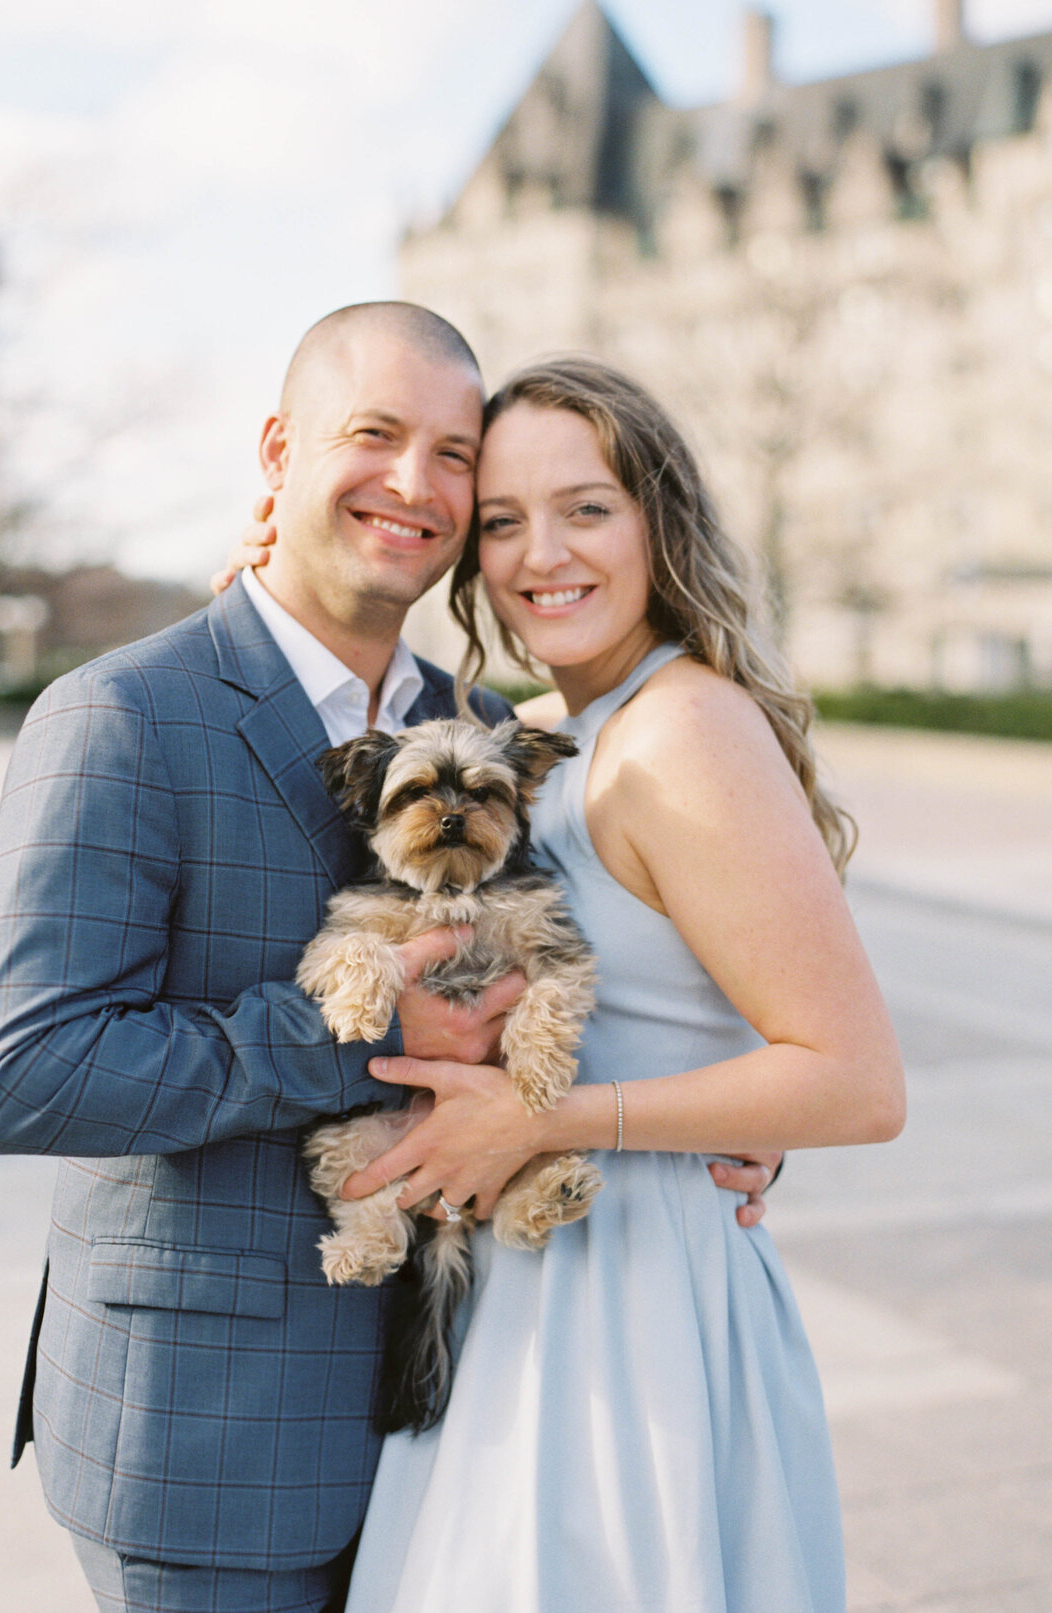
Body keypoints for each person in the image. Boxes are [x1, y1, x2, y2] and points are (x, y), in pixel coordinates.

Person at [0, 306, 774, 1613]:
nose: (416, 484)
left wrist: (711, 1102)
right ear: (279, 450)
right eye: (375, 435)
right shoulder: (121, 716)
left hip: (465, 1418)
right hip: (212, 1445)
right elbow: (24, 1076)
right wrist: (356, 1024)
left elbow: (582, 957)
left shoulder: (487, 729)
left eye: (456, 454)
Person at [320, 357, 905, 1612]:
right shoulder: (538, 730)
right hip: (528, 1286)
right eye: (504, 522)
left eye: (587, 507)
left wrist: (557, 1116)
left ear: (658, 519)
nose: (545, 554)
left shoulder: (684, 730)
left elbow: (856, 1080)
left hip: (634, 1306)